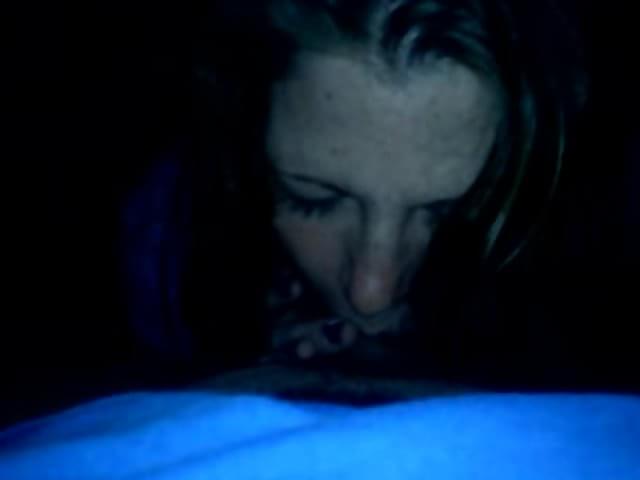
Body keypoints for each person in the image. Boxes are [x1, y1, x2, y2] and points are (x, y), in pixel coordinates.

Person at [122, 0, 586, 382]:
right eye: (312, 200)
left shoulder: (577, 256)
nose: (372, 293)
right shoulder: (165, 247)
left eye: (453, 211)